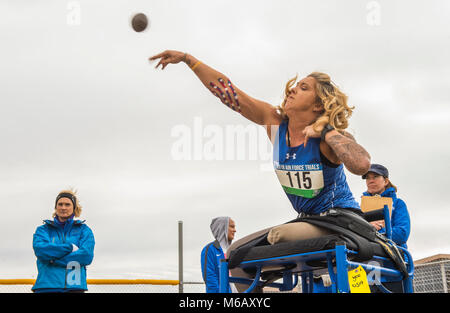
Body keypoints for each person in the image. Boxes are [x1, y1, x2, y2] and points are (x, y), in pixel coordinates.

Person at [150, 50, 371, 292]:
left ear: (318, 104)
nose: (293, 89)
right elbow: (229, 94)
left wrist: (327, 131)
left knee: (278, 236)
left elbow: (361, 165)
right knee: (233, 256)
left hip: (340, 220)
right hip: (306, 221)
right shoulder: (275, 124)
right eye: (295, 85)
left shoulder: (328, 138)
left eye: (304, 88)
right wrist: (188, 59)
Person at [32, 189, 95, 293]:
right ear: (55, 207)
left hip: (75, 287)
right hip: (46, 286)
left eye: (67, 204)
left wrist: (52, 260)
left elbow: (86, 256)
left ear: (74, 207)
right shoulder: (43, 230)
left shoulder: (84, 230)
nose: (63, 207)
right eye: (60, 204)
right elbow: (41, 251)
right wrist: (70, 247)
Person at [362, 164, 411, 249]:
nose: (370, 181)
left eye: (375, 177)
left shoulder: (398, 204)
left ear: (386, 181)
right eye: (368, 178)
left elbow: (402, 234)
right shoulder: (360, 206)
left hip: (394, 254)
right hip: (368, 252)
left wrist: (376, 230)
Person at [201, 217, 236, 293]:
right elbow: (210, 279)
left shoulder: (235, 250)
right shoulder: (209, 249)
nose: (235, 230)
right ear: (222, 228)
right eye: (232, 226)